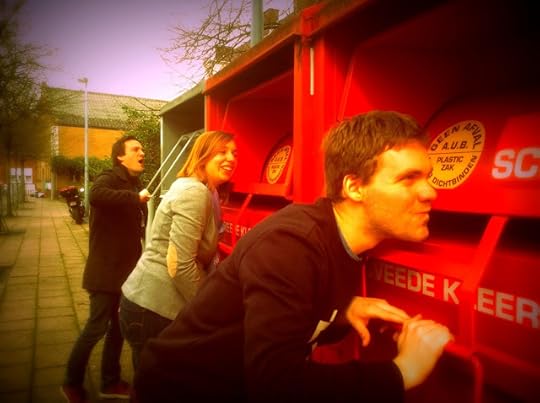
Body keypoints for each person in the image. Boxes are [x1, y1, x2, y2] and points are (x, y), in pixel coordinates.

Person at [134, 111, 453, 403]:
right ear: (354, 187)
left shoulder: (343, 243)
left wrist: (341, 314)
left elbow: (292, 327)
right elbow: (275, 386)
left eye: (428, 177)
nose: (430, 192)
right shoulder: (291, 245)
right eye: (408, 178)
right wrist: (401, 372)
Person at [119, 130, 238, 370]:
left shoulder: (201, 189)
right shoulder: (194, 192)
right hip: (153, 309)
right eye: (222, 152)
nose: (231, 158)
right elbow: (179, 264)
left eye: (234, 153)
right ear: (203, 155)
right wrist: (210, 310)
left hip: (144, 302)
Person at [61, 135, 150, 403]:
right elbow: (96, 196)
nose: (142, 153)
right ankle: (71, 383)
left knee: (118, 329)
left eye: (142, 149)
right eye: (136, 149)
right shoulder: (109, 177)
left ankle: (110, 382)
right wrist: (134, 198)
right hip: (105, 272)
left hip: (126, 273)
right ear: (120, 156)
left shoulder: (135, 183)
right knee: (96, 328)